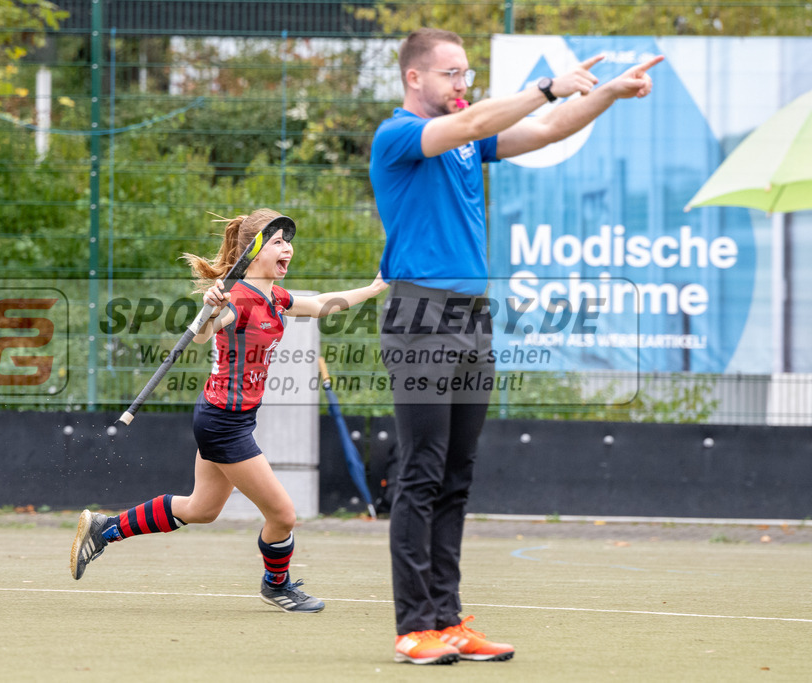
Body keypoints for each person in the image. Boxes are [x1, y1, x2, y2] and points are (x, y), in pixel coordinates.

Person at [369, 28, 661, 664]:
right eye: (451, 73)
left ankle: (447, 620)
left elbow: (549, 130)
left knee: (456, 475)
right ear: (415, 78)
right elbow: (479, 118)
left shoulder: (470, 139)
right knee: (421, 472)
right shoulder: (399, 136)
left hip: (474, 318)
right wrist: (546, 85)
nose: (462, 84)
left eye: (467, 73)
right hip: (419, 315)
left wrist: (606, 92)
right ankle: (414, 627)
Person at [70, 208, 388, 614]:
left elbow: (322, 304)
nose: (288, 248)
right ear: (254, 253)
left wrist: (374, 288)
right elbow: (204, 335)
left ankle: (105, 529)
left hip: (224, 416)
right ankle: (277, 586)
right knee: (284, 515)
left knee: (201, 509)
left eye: (288, 242)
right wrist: (208, 310)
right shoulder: (235, 299)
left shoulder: (274, 297)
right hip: (224, 425)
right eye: (277, 242)